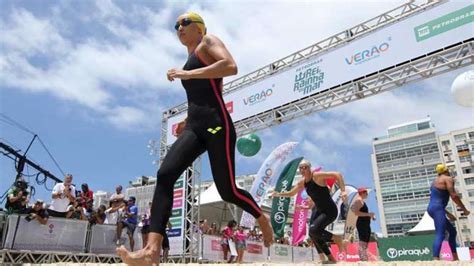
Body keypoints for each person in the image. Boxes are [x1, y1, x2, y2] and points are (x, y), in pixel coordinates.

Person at [117, 12, 273, 265]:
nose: (179, 27)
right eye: (176, 25)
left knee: (228, 189)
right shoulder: (189, 58)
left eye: (185, 22)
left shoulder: (208, 42)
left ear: (199, 28)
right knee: (165, 175)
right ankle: (151, 252)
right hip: (195, 127)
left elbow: (230, 66)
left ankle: (261, 217)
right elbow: (198, 98)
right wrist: (186, 123)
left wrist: (187, 75)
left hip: (216, 125)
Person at [272, 159, 347, 263]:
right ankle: (331, 259)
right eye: (301, 168)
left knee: (314, 230)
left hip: (330, 210)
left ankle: (336, 238)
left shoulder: (316, 176)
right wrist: (278, 194)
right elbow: (291, 193)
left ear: (309, 167)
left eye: (305, 167)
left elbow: (337, 174)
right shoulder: (302, 182)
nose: (303, 169)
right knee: (312, 234)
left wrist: (343, 191)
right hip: (320, 211)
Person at [428, 164, 470, 261]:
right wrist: (464, 209)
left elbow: (435, 200)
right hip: (438, 209)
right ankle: (435, 259)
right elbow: (454, 196)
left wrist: (448, 213)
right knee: (440, 234)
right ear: (446, 170)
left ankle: (455, 258)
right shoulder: (447, 178)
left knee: (452, 231)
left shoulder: (434, 181)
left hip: (433, 208)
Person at [350, 187, 375, 261]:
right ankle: (363, 259)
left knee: (365, 241)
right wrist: (368, 214)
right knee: (363, 241)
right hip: (362, 224)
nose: (367, 194)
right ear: (362, 193)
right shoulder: (359, 201)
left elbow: (353, 209)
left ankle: (364, 259)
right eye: (366, 193)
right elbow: (356, 213)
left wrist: (370, 215)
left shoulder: (361, 201)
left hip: (365, 223)